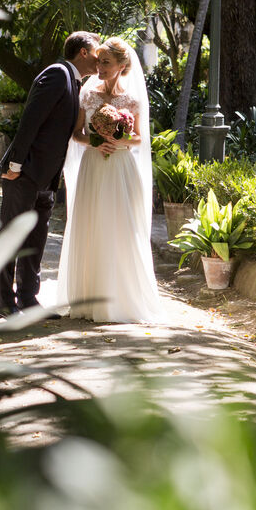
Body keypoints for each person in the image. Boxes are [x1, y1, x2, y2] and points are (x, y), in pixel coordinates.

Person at [0, 31, 101, 318]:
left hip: (46, 178)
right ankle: (3, 302)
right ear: (84, 52)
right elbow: (31, 119)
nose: (101, 56)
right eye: (97, 50)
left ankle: (28, 300)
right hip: (24, 172)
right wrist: (15, 165)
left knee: (36, 240)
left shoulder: (77, 82)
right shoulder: (57, 73)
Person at [56, 37, 162, 324]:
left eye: (105, 62)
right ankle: (89, 298)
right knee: (91, 225)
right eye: (98, 61)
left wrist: (118, 138)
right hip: (93, 166)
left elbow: (139, 138)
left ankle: (121, 299)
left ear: (121, 66)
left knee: (120, 228)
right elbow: (76, 134)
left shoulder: (132, 99)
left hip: (120, 168)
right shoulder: (88, 95)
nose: (98, 67)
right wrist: (94, 141)